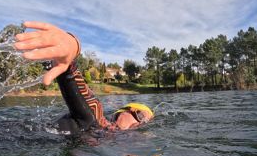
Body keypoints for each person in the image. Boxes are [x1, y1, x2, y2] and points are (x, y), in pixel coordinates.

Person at [14, 21, 154, 133]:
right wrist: (73, 49)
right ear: (123, 113)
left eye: (145, 124)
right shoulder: (96, 119)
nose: (140, 125)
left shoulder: (107, 139)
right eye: (141, 117)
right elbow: (85, 98)